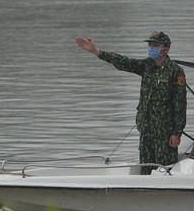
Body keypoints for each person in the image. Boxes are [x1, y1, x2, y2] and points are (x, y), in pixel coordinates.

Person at [75, 31, 187, 174]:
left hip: (164, 133)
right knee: (145, 170)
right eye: (150, 44)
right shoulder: (147, 66)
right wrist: (97, 52)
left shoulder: (175, 71)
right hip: (146, 130)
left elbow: (180, 104)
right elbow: (124, 62)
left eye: (155, 45)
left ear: (166, 49)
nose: (151, 47)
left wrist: (177, 133)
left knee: (165, 170)